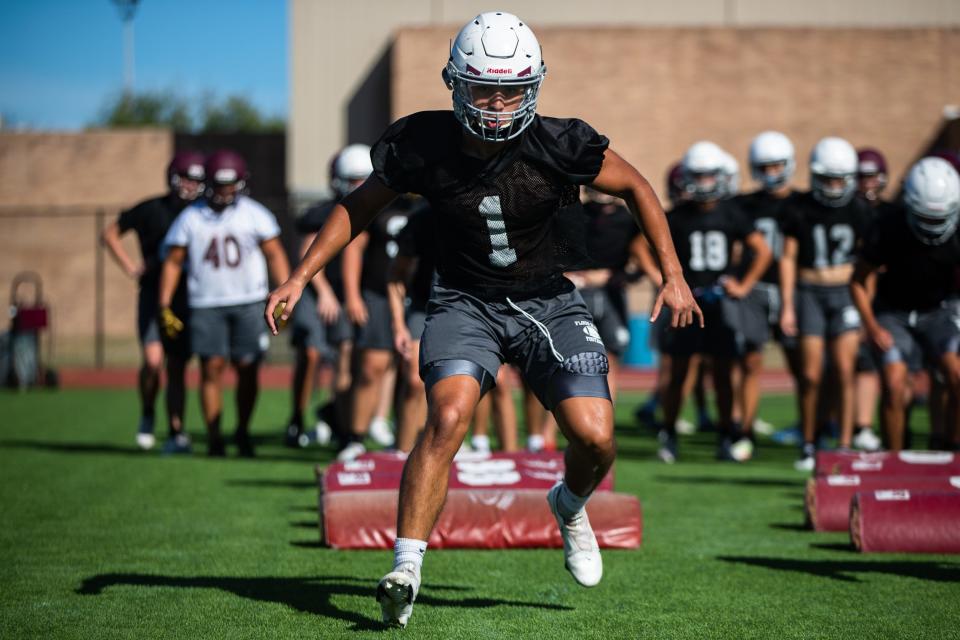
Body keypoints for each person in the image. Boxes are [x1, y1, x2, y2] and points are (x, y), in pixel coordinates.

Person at [265, 12, 699, 628]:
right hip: (464, 300)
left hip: (548, 299)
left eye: (512, 91)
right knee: (446, 416)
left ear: (533, 88)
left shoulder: (561, 141)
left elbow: (639, 188)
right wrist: (299, 275)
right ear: (455, 85)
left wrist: (673, 273)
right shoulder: (422, 144)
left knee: (597, 436)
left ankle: (569, 505)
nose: (498, 105)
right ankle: (405, 568)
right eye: (484, 89)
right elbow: (357, 205)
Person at [160, 150, 290, 457]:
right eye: (220, 185)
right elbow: (173, 262)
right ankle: (215, 437)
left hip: (248, 300)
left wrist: (283, 294)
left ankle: (242, 431)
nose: (226, 192)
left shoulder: (254, 214)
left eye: (231, 185)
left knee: (248, 367)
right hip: (206, 303)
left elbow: (275, 254)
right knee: (211, 368)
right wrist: (164, 304)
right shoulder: (191, 217)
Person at [658, 141, 772, 463]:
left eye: (710, 176)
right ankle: (668, 432)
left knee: (723, 372)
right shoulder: (678, 216)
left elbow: (763, 251)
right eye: (699, 176)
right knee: (679, 370)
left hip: (720, 303)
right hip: (686, 302)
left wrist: (745, 283)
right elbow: (642, 244)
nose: (705, 183)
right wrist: (664, 279)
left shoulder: (732, 212)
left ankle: (726, 434)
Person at [851, 157, 960, 451]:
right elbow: (858, 280)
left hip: (939, 310)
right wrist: (871, 326)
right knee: (895, 382)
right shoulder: (887, 226)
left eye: (939, 219)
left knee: (956, 374)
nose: (933, 228)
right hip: (892, 312)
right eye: (926, 217)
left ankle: (953, 452)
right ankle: (894, 459)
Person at [780, 137, 874, 471]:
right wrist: (787, 304)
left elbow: (869, 265)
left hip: (845, 293)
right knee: (809, 374)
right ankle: (808, 442)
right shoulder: (799, 207)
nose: (834, 187)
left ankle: (845, 444)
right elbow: (788, 258)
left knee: (845, 370)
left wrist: (868, 311)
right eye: (828, 179)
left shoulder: (861, 210)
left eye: (840, 179)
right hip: (809, 291)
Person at [102, 151, 204, 453]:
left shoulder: (201, 212)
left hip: (187, 296)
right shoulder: (151, 209)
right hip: (153, 295)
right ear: (172, 177)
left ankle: (176, 431)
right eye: (186, 177)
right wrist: (131, 267)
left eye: (197, 179)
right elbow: (109, 234)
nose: (191, 185)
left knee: (176, 366)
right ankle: (148, 411)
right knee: (152, 361)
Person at [286, 145, 372, 449]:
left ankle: (337, 416)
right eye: (354, 180)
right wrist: (324, 294)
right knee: (310, 353)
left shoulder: (377, 210)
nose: (360, 186)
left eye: (365, 179)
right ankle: (296, 417)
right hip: (315, 291)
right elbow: (306, 254)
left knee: (348, 355)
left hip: (349, 294)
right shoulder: (322, 213)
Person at [729, 131, 802, 457]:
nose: (772, 173)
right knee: (750, 360)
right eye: (766, 166)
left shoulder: (802, 204)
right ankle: (745, 429)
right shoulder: (744, 205)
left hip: (794, 289)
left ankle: (810, 428)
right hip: (755, 290)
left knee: (804, 365)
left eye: (777, 166)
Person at [337, 192, 421, 461]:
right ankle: (355, 438)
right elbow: (354, 246)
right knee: (372, 366)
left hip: (422, 297)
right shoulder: (381, 198)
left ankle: (410, 441)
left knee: (417, 375)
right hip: (380, 293)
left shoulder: (436, 199)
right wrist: (352, 295)